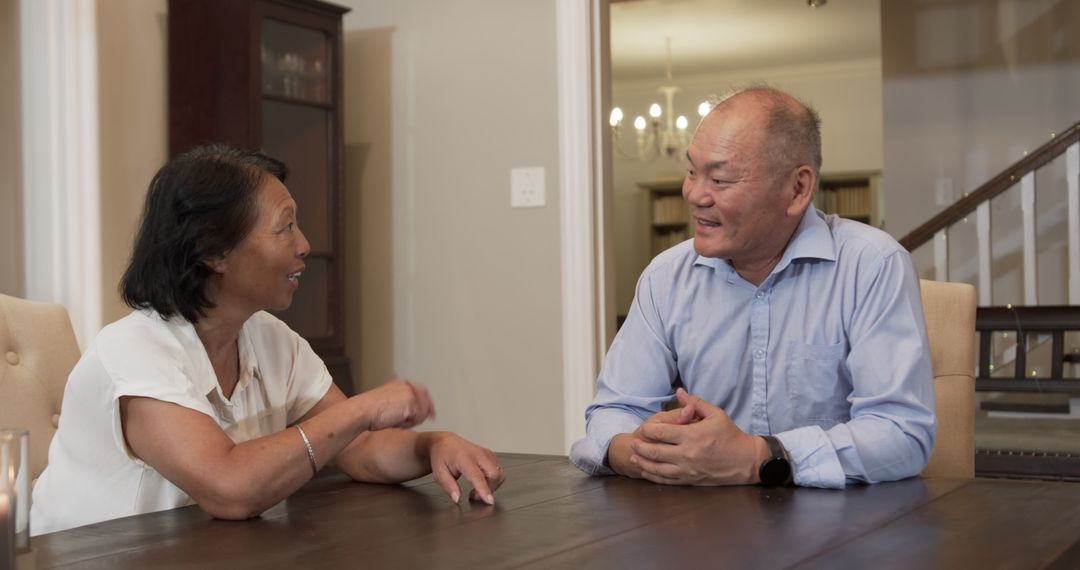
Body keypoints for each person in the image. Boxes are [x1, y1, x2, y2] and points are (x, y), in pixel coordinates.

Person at [32, 144, 504, 534]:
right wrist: (364, 408)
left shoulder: (271, 338)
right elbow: (229, 488)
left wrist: (434, 445)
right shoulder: (132, 352)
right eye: (285, 226)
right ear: (214, 251)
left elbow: (357, 449)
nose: (304, 244)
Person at [570, 86, 935, 489]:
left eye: (720, 179)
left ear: (798, 189)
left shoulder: (872, 266)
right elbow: (614, 409)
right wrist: (644, 451)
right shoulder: (666, 276)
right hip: (702, 533)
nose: (694, 195)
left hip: (841, 531)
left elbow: (902, 434)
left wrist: (758, 457)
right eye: (692, 171)